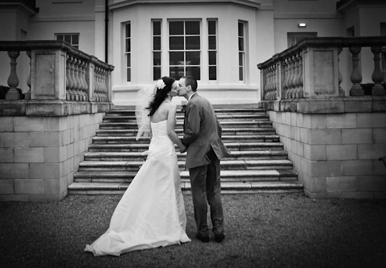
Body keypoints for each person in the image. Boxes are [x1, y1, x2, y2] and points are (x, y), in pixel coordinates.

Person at [84, 76, 191, 256]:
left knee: (154, 189)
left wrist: (151, 150)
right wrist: (182, 146)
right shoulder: (171, 106)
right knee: (168, 188)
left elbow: (153, 134)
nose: (176, 90)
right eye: (174, 88)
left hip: (156, 150)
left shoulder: (153, 108)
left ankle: (151, 222)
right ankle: (166, 226)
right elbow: (171, 132)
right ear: (166, 91)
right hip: (165, 151)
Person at [178, 76, 230, 243]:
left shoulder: (193, 104)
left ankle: (203, 231)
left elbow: (192, 131)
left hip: (200, 154)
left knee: (199, 192)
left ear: (188, 88)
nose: (178, 87)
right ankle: (219, 230)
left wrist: (182, 144)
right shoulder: (205, 101)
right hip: (213, 152)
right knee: (213, 191)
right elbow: (218, 126)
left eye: (180, 85)